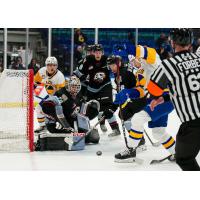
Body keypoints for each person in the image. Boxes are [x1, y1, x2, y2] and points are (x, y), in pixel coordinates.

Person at [147, 28, 200, 171]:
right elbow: (190, 88)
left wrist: (159, 96)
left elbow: (153, 90)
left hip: (194, 124)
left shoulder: (168, 65)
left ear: (172, 42)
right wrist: (165, 98)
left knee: (183, 158)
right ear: (190, 43)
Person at [113, 45, 176, 163]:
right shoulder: (141, 72)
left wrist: (127, 48)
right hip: (156, 100)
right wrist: (127, 93)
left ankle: (131, 149)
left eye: (134, 60)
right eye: (131, 61)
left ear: (139, 57)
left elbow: (146, 51)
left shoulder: (153, 59)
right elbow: (142, 91)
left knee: (137, 118)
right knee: (158, 132)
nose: (133, 63)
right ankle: (177, 152)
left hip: (164, 98)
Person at [35, 76, 100, 144]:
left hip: (72, 120)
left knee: (94, 138)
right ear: (68, 86)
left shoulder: (79, 95)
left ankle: (85, 128)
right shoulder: (61, 94)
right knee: (54, 127)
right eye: (73, 87)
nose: (75, 89)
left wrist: (84, 123)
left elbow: (82, 110)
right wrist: (66, 127)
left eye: (77, 87)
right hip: (60, 120)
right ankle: (61, 128)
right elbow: (55, 111)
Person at [74, 44, 121, 137]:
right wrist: (82, 77)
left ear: (102, 53)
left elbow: (116, 69)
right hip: (91, 88)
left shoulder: (107, 60)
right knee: (88, 108)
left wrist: (118, 79)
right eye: (96, 52)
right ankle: (89, 126)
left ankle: (116, 129)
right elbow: (77, 72)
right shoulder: (87, 60)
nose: (98, 54)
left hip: (105, 86)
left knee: (107, 107)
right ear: (93, 52)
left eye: (100, 52)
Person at [34, 56, 65, 133]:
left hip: (54, 97)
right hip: (43, 95)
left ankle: (58, 124)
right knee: (38, 107)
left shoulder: (60, 76)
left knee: (54, 111)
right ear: (46, 65)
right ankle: (42, 126)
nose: (52, 67)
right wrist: (39, 90)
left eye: (54, 65)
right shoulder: (41, 71)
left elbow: (61, 91)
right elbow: (35, 82)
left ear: (57, 66)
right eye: (49, 65)